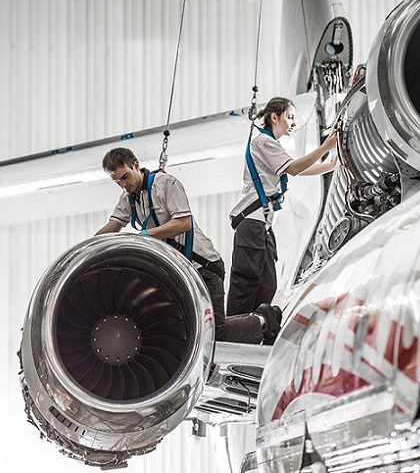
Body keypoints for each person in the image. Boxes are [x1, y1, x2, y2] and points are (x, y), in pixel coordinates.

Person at [95, 147, 280, 345]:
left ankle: (264, 320)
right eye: (117, 182)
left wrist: (146, 236)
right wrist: (88, 248)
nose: (124, 185)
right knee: (197, 330)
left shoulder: (166, 184)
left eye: (125, 177)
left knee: (215, 333)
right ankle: (259, 317)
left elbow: (184, 223)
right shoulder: (128, 199)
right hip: (184, 273)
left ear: (136, 165)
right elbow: (111, 228)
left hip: (204, 266)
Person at [227, 97, 338, 317]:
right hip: (252, 221)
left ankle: (253, 325)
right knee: (247, 284)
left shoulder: (271, 145)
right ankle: (235, 327)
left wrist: (331, 165)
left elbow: (298, 169)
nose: (294, 123)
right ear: (274, 117)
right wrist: (325, 148)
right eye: (289, 117)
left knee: (267, 284)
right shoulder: (263, 142)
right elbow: (294, 169)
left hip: (262, 224)